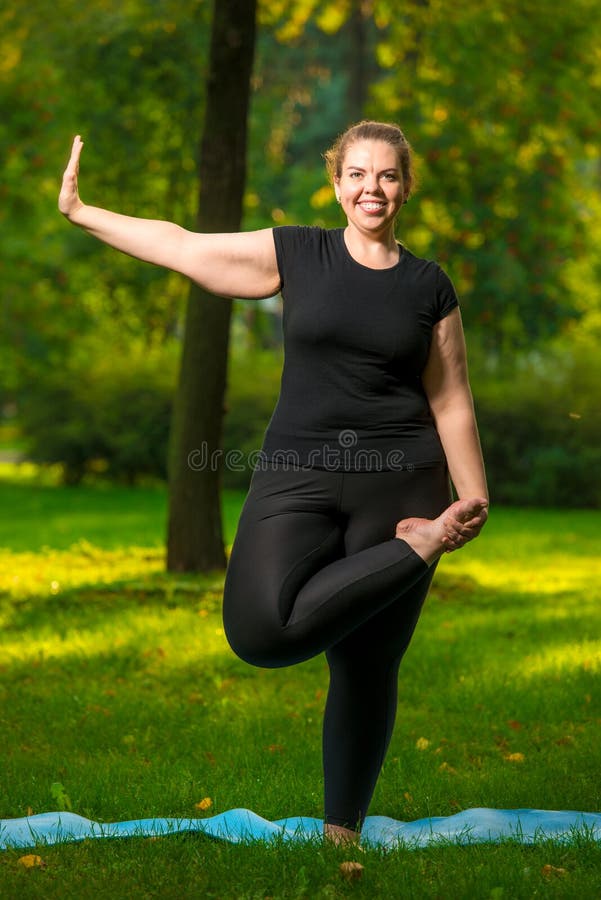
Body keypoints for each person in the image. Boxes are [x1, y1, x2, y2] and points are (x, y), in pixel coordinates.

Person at [59, 121, 488, 845]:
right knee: (260, 631)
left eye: (386, 176)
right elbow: (184, 245)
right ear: (335, 184)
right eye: (356, 174)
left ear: (405, 187)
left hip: (400, 478)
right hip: (298, 471)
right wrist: (82, 212)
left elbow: (450, 398)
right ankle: (417, 549)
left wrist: (469, 495)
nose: (370, 188)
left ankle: (341, 834)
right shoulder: (298, 253)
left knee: (366, 663)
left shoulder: (428, 286)